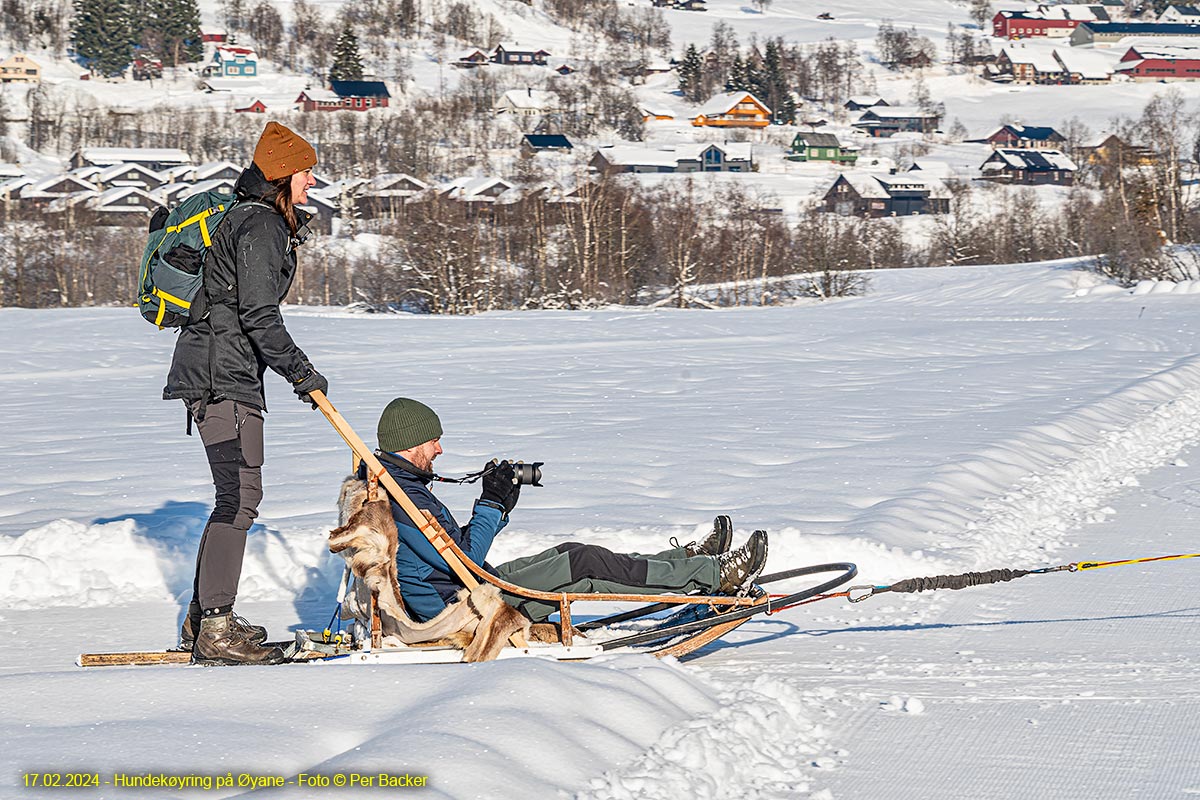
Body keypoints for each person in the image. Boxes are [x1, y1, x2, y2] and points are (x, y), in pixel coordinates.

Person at [371, 398, 769, 625]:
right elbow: (464, 558)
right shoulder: (405, 499)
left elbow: (446, 551)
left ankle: (686, 560)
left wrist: (500, 505)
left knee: (570, 552)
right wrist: (490, 503)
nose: (439, 451)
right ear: (412, 443)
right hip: (467, 611)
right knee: (584, 564)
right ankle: (715, 575)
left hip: (467, 588)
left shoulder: (395, 486)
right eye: (434, 442)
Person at [163, 121, 329, 666]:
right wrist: (301, 372)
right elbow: (259, 314)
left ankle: (202, 620)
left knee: (233, 498)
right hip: (223, 378)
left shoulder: (248, 218)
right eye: (305, 172)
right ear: (282, 175)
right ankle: (214, 626)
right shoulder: (259, 225)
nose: (311, 182)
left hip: (222, 374)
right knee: (239, 498)